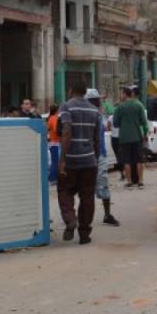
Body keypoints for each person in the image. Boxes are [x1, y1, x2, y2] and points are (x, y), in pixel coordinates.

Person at [57, 81, 101, 245]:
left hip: (71, 161)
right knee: (87, 197)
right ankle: (84, 234)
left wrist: (62, 159)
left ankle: (70, 219)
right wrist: (94, 158)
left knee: (64, 191)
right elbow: (97, 139)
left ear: (71, 90)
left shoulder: (67, 107)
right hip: (89, 161)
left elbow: (67, 131)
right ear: (84, 93)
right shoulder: (94, 110)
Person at [85, 89, 120, 227]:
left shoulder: (98, 115)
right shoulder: (92, 115)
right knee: (92, 186)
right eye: (98, 99)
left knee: (100, 185)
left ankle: (105, 214)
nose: (100, 101)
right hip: (95, 155)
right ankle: (94, 216)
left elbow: (104, 129)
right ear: (93, 101)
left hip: (97, 155)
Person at [114, 87, 148, 189]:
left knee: (126, 161)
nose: (120, 96)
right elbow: (143, 122)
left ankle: (129, 183)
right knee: (139, 160)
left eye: (121, 93)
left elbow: (115, 123)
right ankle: (140, 181)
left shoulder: (120, 107)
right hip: (137, 136)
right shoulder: (138, 105)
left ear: (125, 94)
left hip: (124, 138)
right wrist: (145, 134)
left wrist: (123, 123)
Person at [46, 104, 61, 184]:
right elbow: (56, 130)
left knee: (54, 161)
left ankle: (53, 178)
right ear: (57, 110)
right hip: (55, 142)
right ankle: (52, 178)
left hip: (52, 142)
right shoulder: (55, 118)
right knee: (55, 162)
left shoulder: (50, 118)